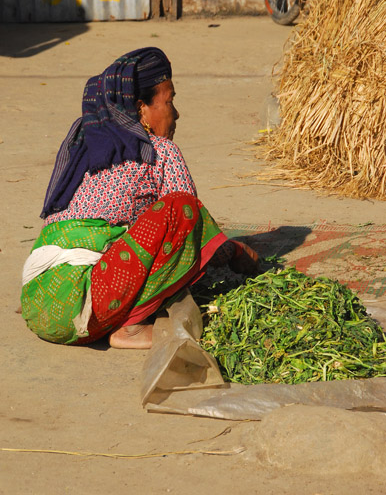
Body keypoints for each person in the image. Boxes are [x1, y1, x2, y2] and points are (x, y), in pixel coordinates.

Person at [21, 47, 259, 349]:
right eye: (169, 102)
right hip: (84, 308)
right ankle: (131, 327)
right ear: (141, 109)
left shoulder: (85, 148)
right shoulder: (161, 150)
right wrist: (234, 251)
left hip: (37, 303)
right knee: (184, 209)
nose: (176, 113)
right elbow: (189, 233)